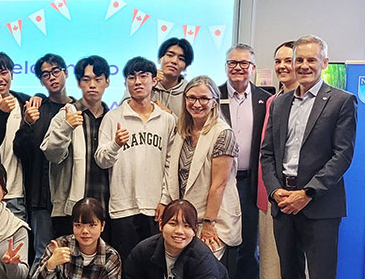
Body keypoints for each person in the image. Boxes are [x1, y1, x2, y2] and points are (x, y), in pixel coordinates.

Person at [259, 35, 356, 279]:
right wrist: (275, 192)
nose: (302, 66)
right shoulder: (281, 102)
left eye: (311, 60)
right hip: (283, 202)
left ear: (324, 64)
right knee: (290, 278)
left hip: (320, 206)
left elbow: (342, 155)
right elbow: (268, 153)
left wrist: (307, 193)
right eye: (298, 59)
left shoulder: (341, 102)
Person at [95, 56, 177, 262]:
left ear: (154, 81)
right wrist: (115, 144)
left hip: (155, 208)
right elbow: (101, 160)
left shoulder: (167, 119)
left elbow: (171, 164)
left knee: (155, 265)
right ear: (125, 83)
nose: (137, 82)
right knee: (126, 266)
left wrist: (165, 200)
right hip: (123, 207)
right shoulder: (113, 117)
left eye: (143, 76)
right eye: (131, 77)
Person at [219, 43, 272, 279]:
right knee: (220, 242)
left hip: (251, 181)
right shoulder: (212, 96)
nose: (238, 68)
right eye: (232, 63)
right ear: (226, 66)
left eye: (244, 63)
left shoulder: (266, 99)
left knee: (248, 245)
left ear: (253, 67)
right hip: (219, 181)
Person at [162, 76, 241, 265]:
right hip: (185, 219)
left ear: (214, 102)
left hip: (213, 221)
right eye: (191, 98)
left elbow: (218, 185)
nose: (197, 104)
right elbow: (172, 171)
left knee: (207, 278)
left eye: (204, 99)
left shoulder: (223, 133)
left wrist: (208, 223)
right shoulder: (182, 131)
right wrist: (164, 201)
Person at [41, 55, 112, 239]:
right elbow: (51, 153)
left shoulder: (112, 117)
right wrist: (66, 127)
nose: (92, 85)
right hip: (70, 208)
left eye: (98, 79)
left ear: (107, 82)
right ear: (79, 83)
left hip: (106, 206)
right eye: (86, 79)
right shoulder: (67, 113)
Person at [14, 53, 73, 261]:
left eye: (56, 71)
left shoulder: (77, 109)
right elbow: (20, 151)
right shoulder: (35, 110)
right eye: (46, 74)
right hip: (42, 195)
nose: (52, 77)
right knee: (43, 254)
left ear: (66, 73)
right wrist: (28, 124)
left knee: (71, 254)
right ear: (41, 80)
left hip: (71, 194)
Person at [256, 41, 296, 279]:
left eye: (289, 60)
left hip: (304, 196)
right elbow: (266, 152)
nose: (283, 66)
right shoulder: (272, 102)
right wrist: (272, 190)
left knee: (301, 265)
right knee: (270, 261)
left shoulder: (325, 101)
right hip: (270, 192)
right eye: (278, 60)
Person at [0, 51, 31, 220]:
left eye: (4, 73)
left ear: (11, 74)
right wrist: (1, 113)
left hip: (16, 191)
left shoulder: (24, 103)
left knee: (17, 243)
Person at [152, 37, 195, 114]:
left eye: (181, 59)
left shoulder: (190, 93)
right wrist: (148, 84)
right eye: (170, 55)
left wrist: (168, 114)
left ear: (185, 67)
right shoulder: (143, 82)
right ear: (159, 59)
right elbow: (125, 109)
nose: (174, 61)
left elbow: (192, 125)